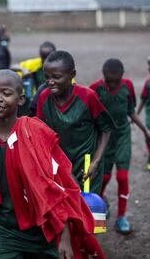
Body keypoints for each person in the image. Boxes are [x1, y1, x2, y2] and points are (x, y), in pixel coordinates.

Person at [0, 70, 105, 259]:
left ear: (21, 99)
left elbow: (56, 187)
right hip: (3, 232)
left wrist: (64, 237)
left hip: (40, 230)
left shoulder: (35, 134)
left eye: (6, 93)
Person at [90, 59, 150, 234]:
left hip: (122, 137)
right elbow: (89, 116)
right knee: (102, 178)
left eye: (115, 81)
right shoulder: (95, 89)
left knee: (122, 177)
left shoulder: (127, 86)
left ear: (122, 76)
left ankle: (121, 217)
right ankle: (100, 204)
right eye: (108, 80)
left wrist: (145, 131)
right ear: (103, 75)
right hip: (104, 139)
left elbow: (131, 112)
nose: (112, 84)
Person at [36, 51, 115, 194]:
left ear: (72, 75)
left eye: (56, 77)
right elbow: (40, 135)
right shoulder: (44, 98)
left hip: (87, 166)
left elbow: (106, 128)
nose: (50, 81)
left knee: (87, 208)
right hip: (60, 166)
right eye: (47, 77)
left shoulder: (87, 97)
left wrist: (96, 161)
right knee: (65, 210)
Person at [11, 41, 56, 116]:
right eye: (43, 58)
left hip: (52, 101)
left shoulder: (60, 68)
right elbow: (13, 67)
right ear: (40, 55)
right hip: (34, 99)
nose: (45, 61)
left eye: (48, 58)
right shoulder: (34, 64)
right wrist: (23, 70)